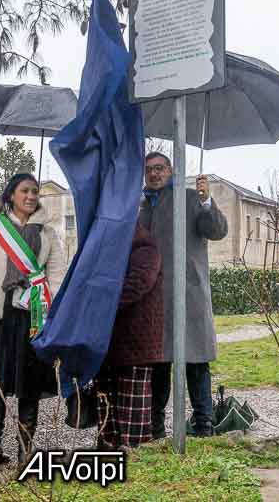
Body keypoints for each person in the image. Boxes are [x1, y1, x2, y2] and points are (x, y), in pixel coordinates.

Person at [0, 173, 65, 476]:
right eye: (24, 191)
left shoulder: (47, 233)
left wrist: (49, 302)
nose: (30, 196)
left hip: (33, 318)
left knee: (29, 388)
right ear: (11, 195)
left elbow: (57, 272)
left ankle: (25, 454)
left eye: (34, 191)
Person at [139, 152, 227, 438]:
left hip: (189, 293)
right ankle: (155, 428)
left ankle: (204, 424)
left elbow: (216, 230)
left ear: (171, 170)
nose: (154, 174)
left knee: (196, 360)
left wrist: (205, 201)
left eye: (160, 168)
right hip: (156, 297)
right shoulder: (142, 207)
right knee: (158, 363)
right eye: (149, 169)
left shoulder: (190, 198)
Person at [92, 223, 163, 450]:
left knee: (132, 409)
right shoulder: (106, 249)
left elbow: (137, 284)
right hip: (109, 340)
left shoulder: (146, 249)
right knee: (107, 404)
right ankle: (108, 451)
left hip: (136, 342)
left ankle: (133, 458)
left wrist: (100, 305)